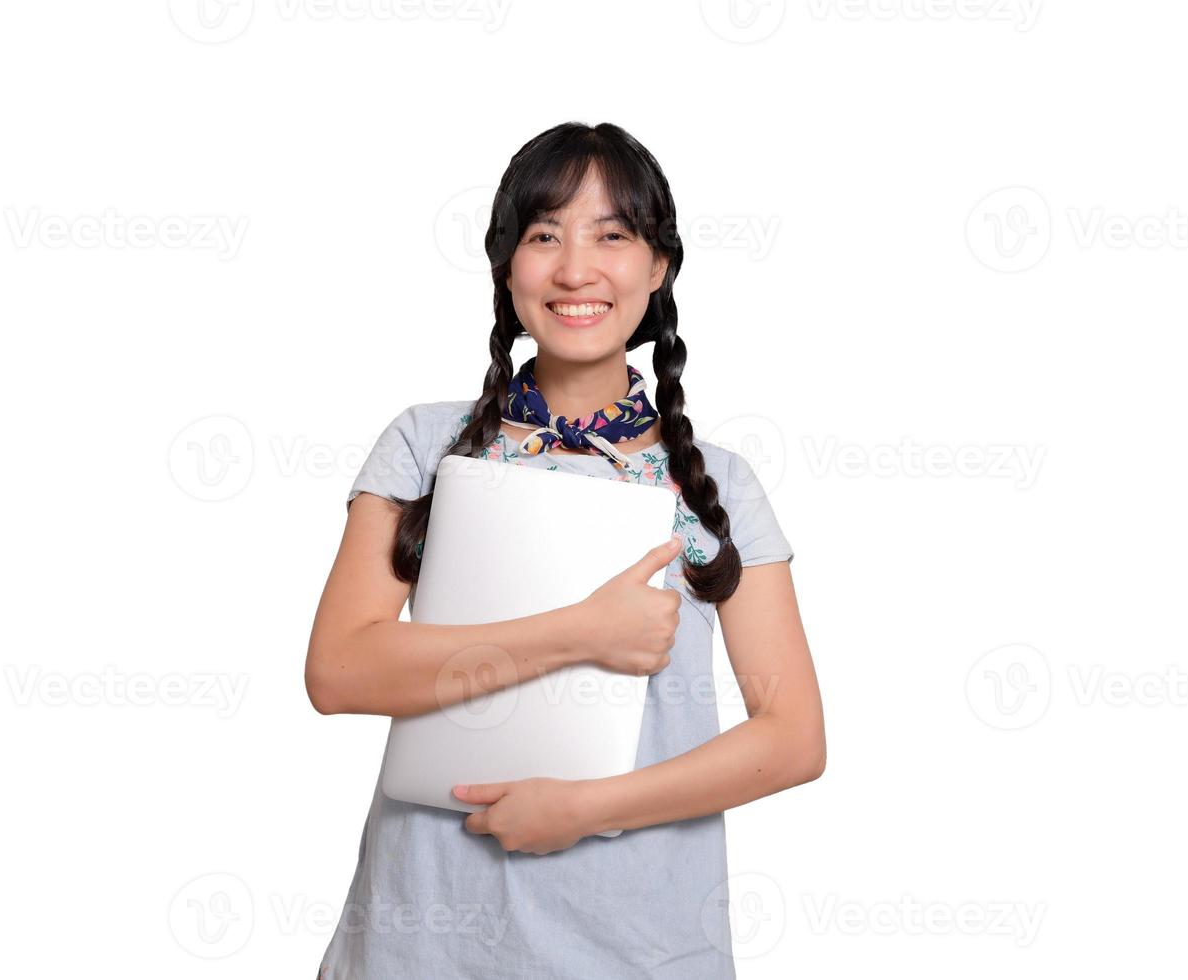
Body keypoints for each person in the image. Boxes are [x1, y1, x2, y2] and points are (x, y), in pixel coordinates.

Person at [306, 121, 826, 979]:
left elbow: (793, 737)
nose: (575, 269)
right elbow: (338, 672)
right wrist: (583, 631)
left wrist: (588, 809)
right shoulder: (425, 445)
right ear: (507, 266)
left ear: (658, 267)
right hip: (421, 947)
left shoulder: (716, 484)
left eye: (612, 236)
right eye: (544, 235)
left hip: (640, 950)